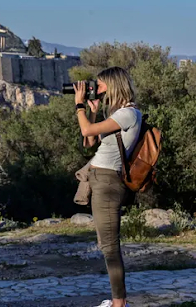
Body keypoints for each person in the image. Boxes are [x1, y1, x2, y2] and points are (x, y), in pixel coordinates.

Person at [74, 67, 140, 307]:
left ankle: (119, 303)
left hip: (107, 183)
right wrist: (92, 112)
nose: (96, 89)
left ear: (113, 85)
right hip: (99, 180)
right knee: (106, 243)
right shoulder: (117, 114)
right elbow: (89, 140)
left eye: (100, 85)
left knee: (110, 246)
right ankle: (117, 301)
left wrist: (79, 105)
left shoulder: (128, 114)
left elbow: (85, 131)